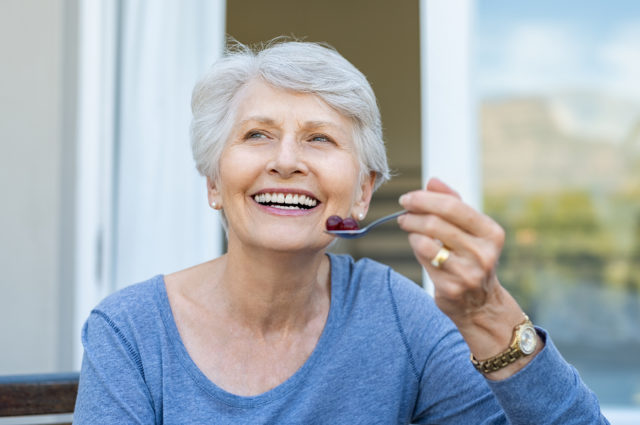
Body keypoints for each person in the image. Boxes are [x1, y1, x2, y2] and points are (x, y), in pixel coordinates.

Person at [74, 39, 608, 424]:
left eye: (319, 139)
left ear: (362, 192)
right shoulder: (130, 332)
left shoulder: (399, 318)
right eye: (257, 134)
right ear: (214, 181)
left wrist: (488, 312)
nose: (285, 161)